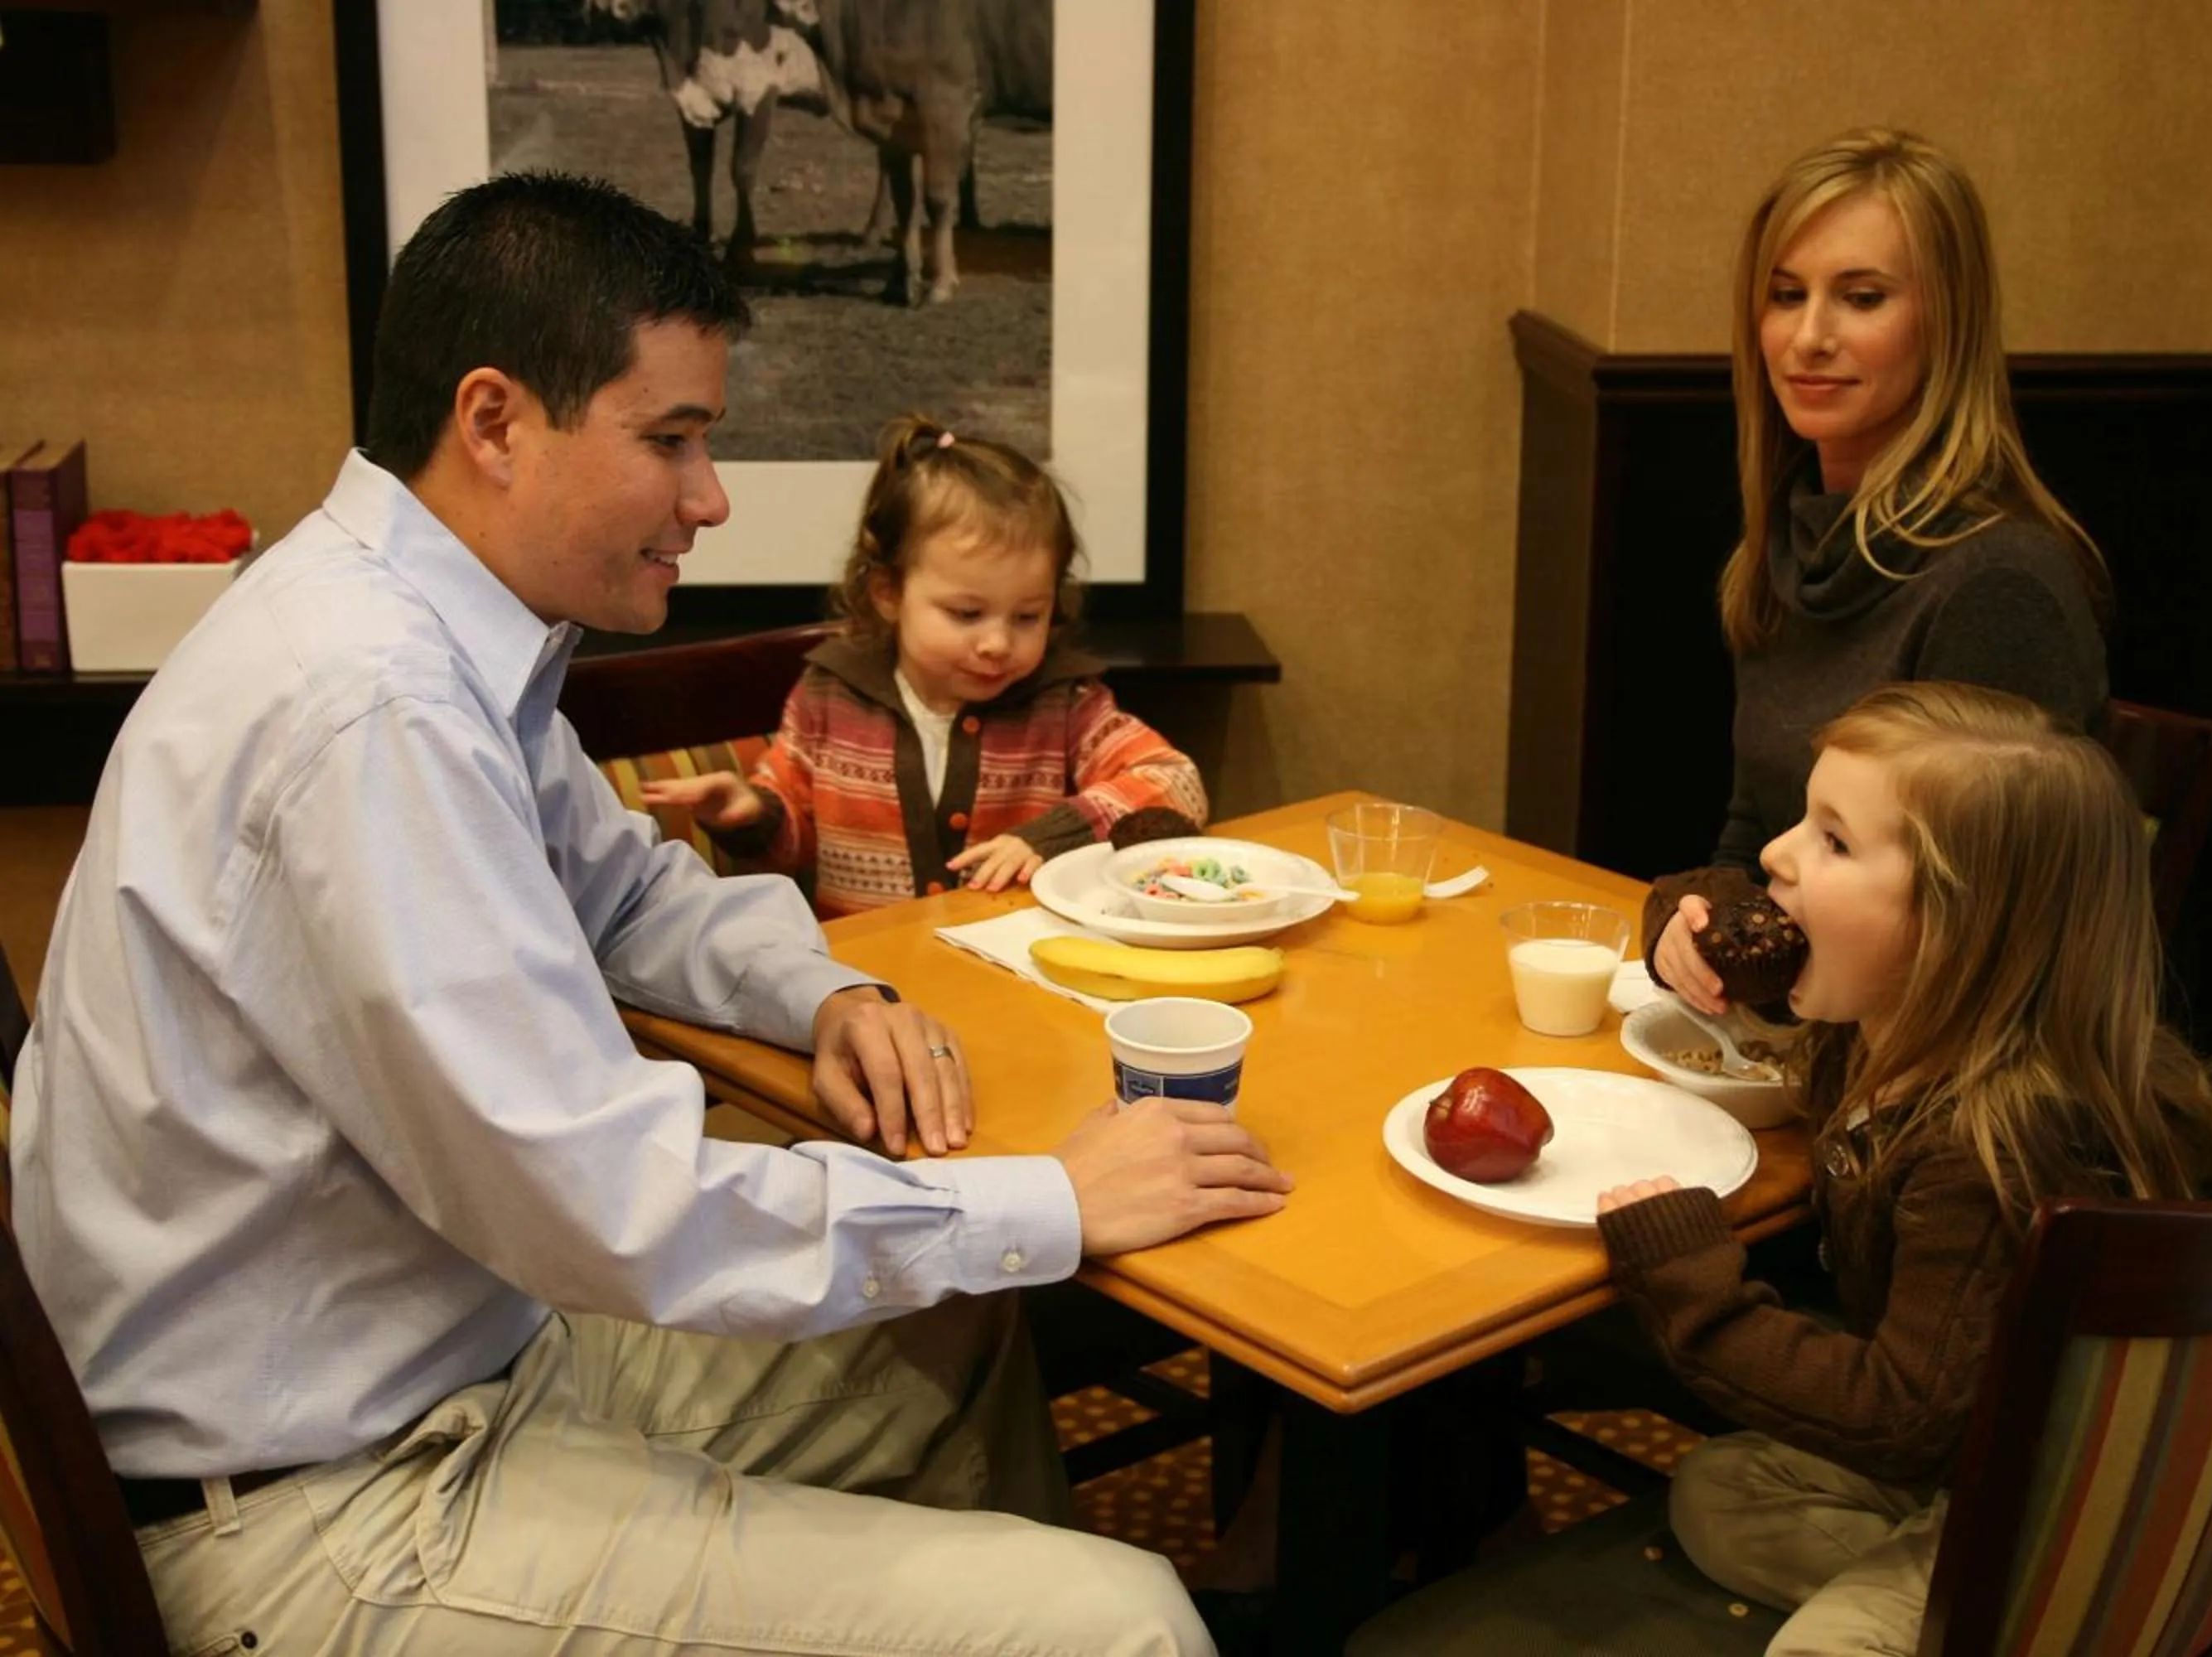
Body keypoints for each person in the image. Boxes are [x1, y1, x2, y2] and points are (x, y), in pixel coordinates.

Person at [7, 171, 1288, 1656]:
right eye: (671, 440)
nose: (710, 496)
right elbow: (605, 1205)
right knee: (1124, 1615)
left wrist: (827, 994)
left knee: (953, 1320)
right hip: (322, 1509)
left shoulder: (404, 618)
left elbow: (623, 889)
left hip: (439, 1353)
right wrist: (1054, 1200)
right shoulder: (371, 710)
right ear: (494, 423)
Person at [1349, 683, 2212, 1655]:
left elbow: (1901, 1415)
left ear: (1958, 925)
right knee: (1720, 1489)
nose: (1777, 853)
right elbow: (1727, 904)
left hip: (2057, 1509)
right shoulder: (1891, 1023)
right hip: (1983, 1440)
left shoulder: (1992, 1147)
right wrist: (1678, 925)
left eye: (1832, 840)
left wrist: (1693, 1281)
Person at [1649, 127, 2111, 1017]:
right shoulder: (1789, 546)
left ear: (1948, 320)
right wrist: (1687, 918)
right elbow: (1756, 833)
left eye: (1861, 297)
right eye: (1786, 295)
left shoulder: (1997, 586)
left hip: (1943, 1099)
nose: (1809, 336)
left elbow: (1992, 950)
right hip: (1809, 1040)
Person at [640, 413, 1208, 914]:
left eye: (1028, 617)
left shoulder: (1065, 704)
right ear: (888, 592)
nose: (997, 644)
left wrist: (1054, 836)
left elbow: (1175, 782)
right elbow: (794, 837)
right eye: (966, 614)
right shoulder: (831, 696)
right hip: (866, 985)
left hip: (1013, 970)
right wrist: (750, 812)